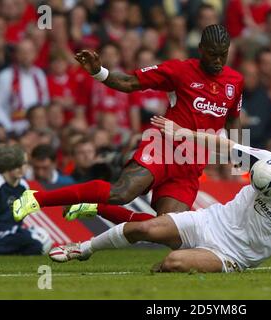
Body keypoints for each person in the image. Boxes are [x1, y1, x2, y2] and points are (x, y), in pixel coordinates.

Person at [48, 117, 271, 273]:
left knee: (172, 262)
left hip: (231, 255)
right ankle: (84, 249)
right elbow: (225, 145)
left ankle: (161, 274)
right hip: (209, 221)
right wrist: (184, 133)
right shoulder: (269, 163)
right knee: (144, 229)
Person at [12, 24, 243, 223]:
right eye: (213, 54)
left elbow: (233, 120)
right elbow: (131, 82)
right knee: (122, 193)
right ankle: (35, 198)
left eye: (223, 54)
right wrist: (99, 72)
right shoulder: (179, 70)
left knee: (166, 228)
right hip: (164, 148)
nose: (218, 60)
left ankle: (94, 208)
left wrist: (238, 159)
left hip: (191, 164)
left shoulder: (235, 81)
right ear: (201, 49)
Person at [0, 146, 52, 255]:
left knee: (42, 239)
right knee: (29, 238)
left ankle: (3, 252)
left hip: (12, 232)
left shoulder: (24, 186)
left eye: (23, 164)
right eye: (16, 164)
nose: (20, 168)